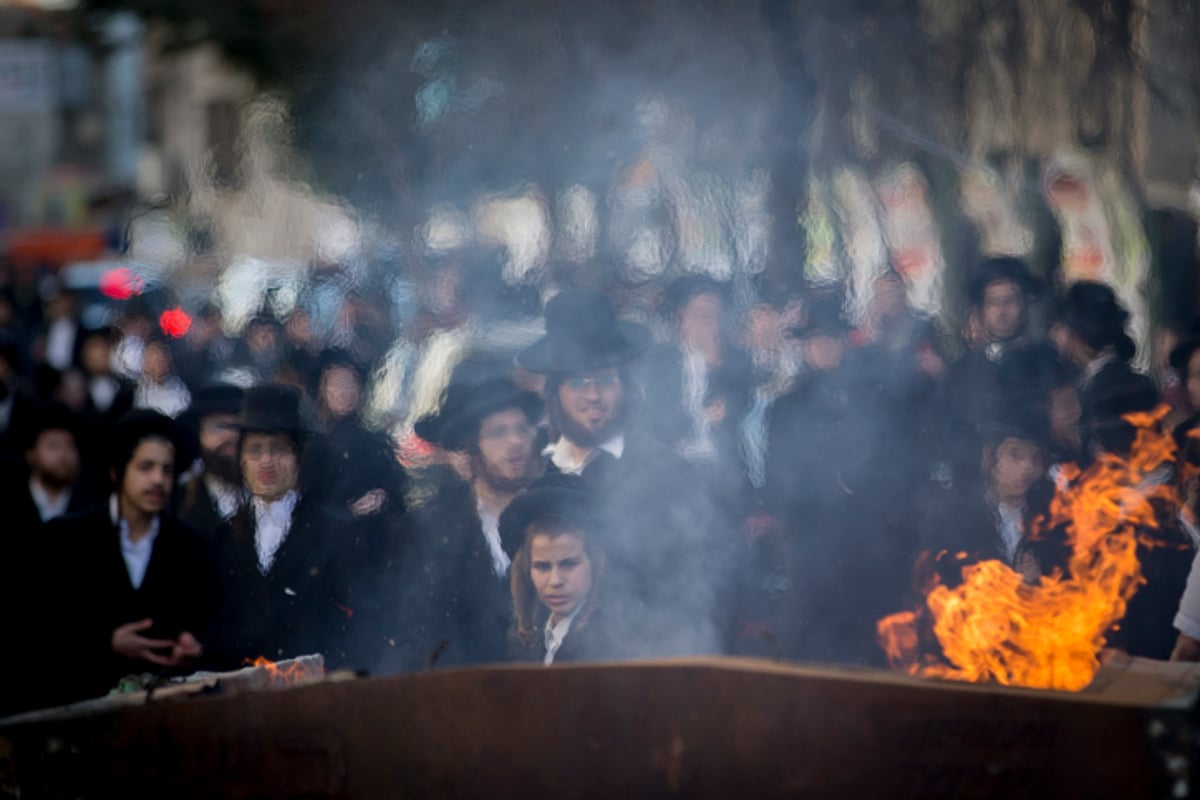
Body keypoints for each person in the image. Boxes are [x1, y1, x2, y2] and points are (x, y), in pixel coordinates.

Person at [515, 287, 744, 658]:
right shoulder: (528, 473)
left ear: (626, 386)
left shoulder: (673, 475)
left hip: (642, 677)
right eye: (576, 380)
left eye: (605, 379)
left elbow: (708, 589)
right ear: (553, 392)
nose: (593, 395)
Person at [16, 410, 209, 711]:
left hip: (164, 712)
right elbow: (37, 628)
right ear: (117, 472)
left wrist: (190, 643)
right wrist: (106, 644)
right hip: (80, 710)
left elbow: (200, 616)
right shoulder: (66, 537)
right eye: (146, 467)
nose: (158, 480)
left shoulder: (189, 544)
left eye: (167, 470)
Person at [373, 374, 544, 672]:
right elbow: (413, 628)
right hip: (461, 692)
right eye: (498, 433)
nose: (515, 442)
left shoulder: (554, 515)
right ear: (471, 447)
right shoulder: (430, 527)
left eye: (521, 429)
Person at [205, 384, 356, 670]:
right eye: (255, 449)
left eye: (279, 449)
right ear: (241, 460)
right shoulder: (222, 538)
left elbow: (345, 622)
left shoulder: (334, 531)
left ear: (298, 457)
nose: (266, 461)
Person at [932, 256, 1043, 480]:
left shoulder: (1045, 362)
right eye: (993, 303)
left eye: (1009, 301)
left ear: (1023, 305)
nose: (1002, 312)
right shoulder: (960, 373)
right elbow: (944, 433)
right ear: (981, 309)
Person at [504, 474, 623, 664]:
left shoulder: (617, 641)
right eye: (542, 566)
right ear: (527, 570)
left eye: (569, 564)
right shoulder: (526, 637)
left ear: (596, 563)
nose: (555, 580)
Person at [10, 400, 97, 537]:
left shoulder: (91, 507)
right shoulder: (11, 502)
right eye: (53, 446)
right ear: (31, 454)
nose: (63, 455)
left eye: (70, 446)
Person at [177, 383, 246, 541]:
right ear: (199, 434)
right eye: (218, 427)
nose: (230, 437)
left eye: (237, 427)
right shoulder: (178, 500)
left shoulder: (266, 498)